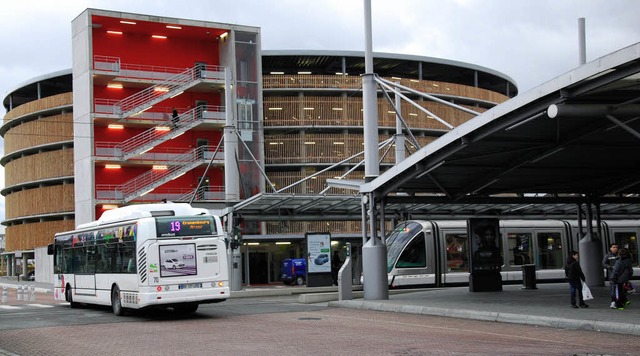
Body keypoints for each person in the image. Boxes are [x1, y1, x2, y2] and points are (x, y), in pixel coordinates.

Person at [602, 243, 619, 309]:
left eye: (616, 247)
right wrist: (611, 267)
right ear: (610, 248)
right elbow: (604, 263)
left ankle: (619, 301)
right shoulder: (607, 256)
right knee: (613, 289)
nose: (615, 249)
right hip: (612, 275)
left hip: (619, 275)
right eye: (614, 247)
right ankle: (613, 302)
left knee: (620, 289)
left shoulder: (619, 255)